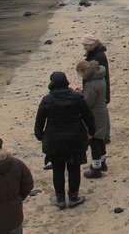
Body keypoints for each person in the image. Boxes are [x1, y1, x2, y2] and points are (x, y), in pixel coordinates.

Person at [34, 72, 95, 209]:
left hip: (54, 140)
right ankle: (73, 197)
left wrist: (40, 136)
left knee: (58, 169)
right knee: (74, 168)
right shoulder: (77, 97)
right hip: (75, 138)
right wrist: (91, 131)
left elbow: (39, 121)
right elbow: (88, 116)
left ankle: (60, 198)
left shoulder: (47, 100)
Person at [76, 60, 110, 179]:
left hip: (95, 114)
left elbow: (87, 103)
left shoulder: (91, 84)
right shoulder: (100, 77)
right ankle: (102, 162)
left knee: (94, 140)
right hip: (101, 111)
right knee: (100, 139)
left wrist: (80, 96)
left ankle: (96, 169)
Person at [81, 35, 110, 105]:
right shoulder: (92, 53)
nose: (84, 47)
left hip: (96, 91)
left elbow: (102, 75)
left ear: (91, 44)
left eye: (85, 45)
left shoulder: (99, 56)